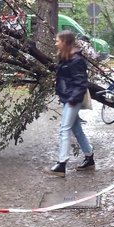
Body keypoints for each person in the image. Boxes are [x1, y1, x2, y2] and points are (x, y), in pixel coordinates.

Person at [45, 30, 95, 177]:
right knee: (77, 130)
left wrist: (73, 100)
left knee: (64, 129)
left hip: (73, 99)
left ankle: (61, 164)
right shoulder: (66, 57)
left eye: (57, 41)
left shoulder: (76, 60)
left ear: (65, 42)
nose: (55, 44)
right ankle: (89, 157)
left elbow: (81, 83)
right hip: (68, 97)